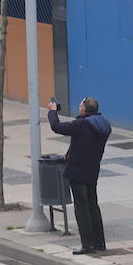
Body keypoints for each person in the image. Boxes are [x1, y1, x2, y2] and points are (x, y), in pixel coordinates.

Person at [47, 96, 112, 255]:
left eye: (80, 106)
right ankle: (99, 243)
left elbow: (57, 127)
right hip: (92, 170)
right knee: (93, 206)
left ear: (84, 110)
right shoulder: (103, 125)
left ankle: (87, 245)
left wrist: (52, 112)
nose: (79, 108)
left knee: (81, 208)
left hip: (77, 171)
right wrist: (69, 153)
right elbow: (84, 142)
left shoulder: (81, 124)